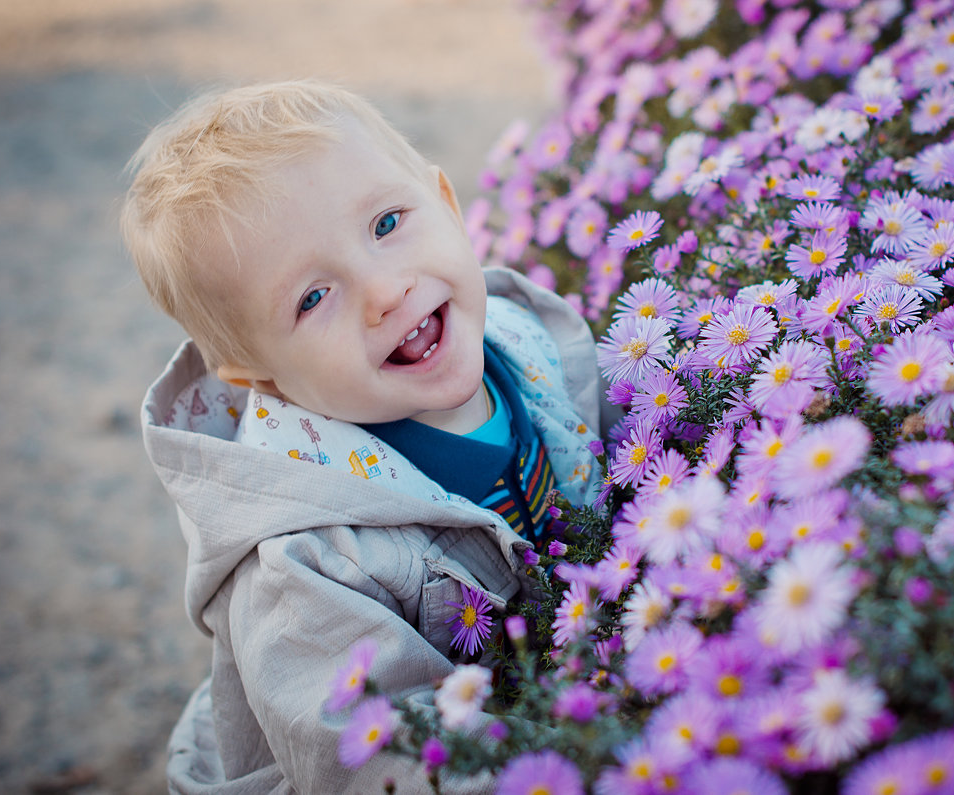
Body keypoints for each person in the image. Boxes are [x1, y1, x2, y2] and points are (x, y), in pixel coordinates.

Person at [121, 79, 604, 793]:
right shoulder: (302, 568)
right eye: (313, 297)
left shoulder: (531, 343)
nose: (385, 291)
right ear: (260, 376)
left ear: (445, 201)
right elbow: (380, 755)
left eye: (385, 224)